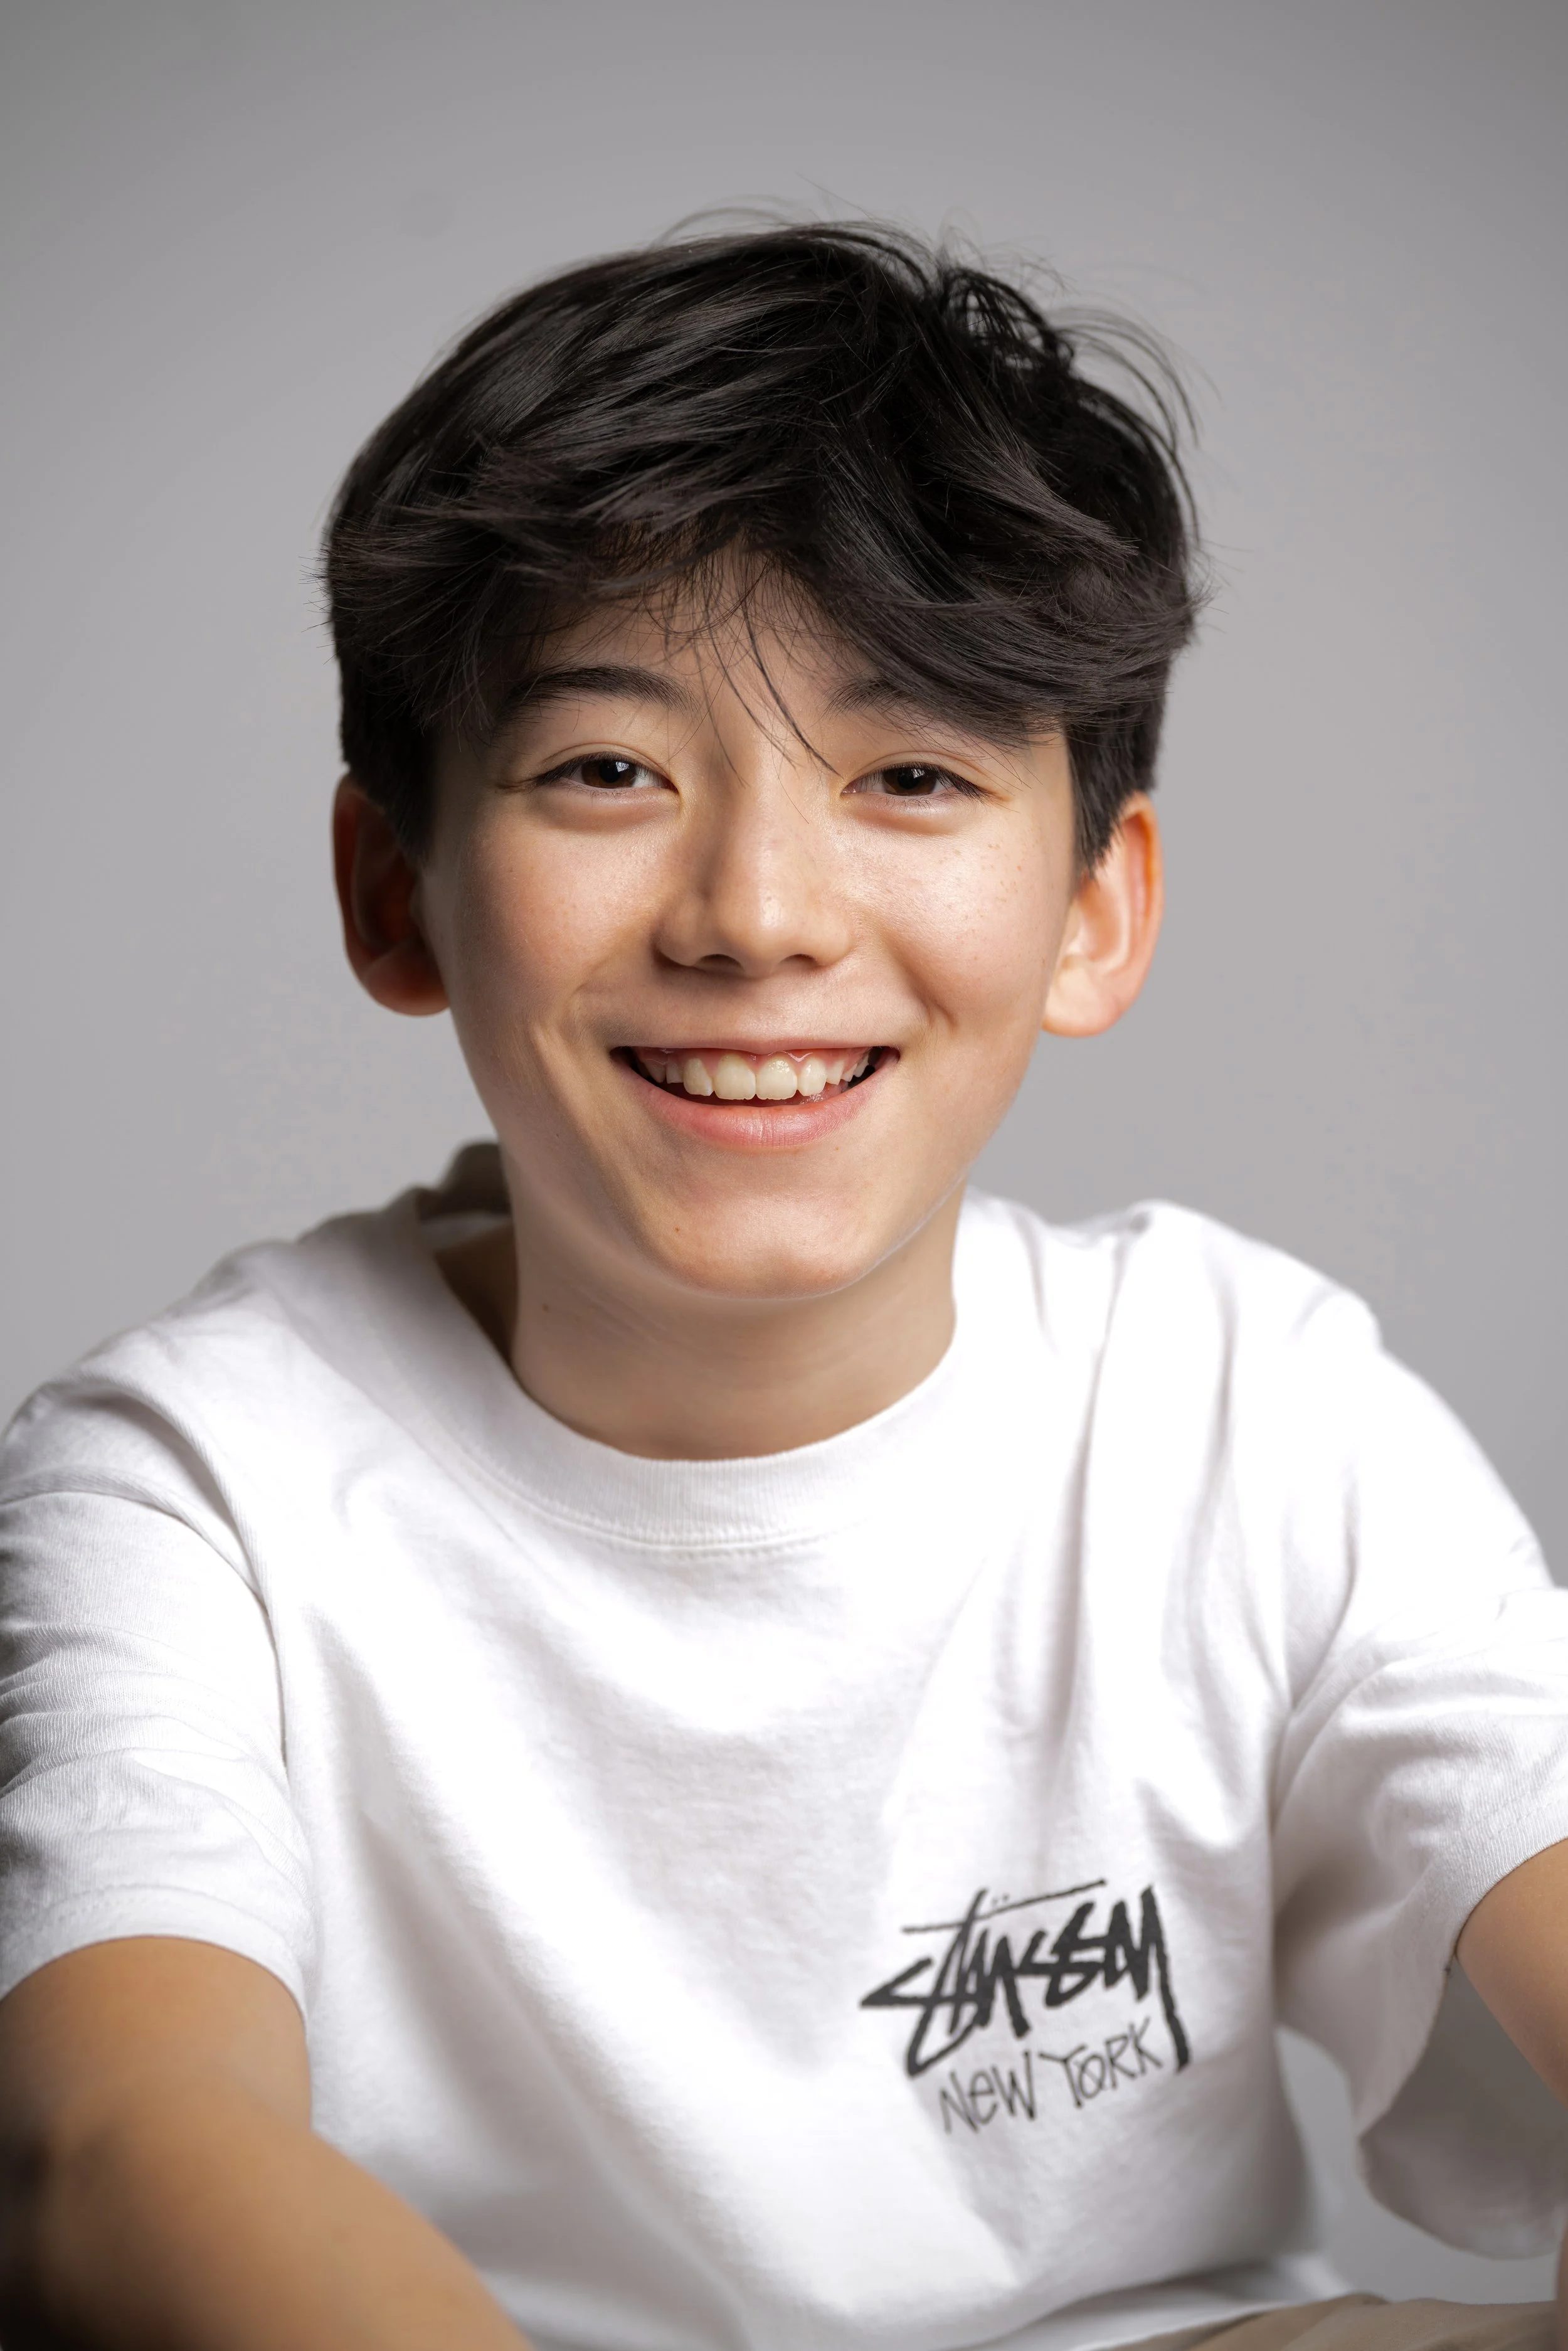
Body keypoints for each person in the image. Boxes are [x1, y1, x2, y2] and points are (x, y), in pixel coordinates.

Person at [0, 222, 1564, 2351]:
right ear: (397, 891)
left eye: (910, 772)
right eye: (607, 770)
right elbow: (115, 2142)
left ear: (1095, 909)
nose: (756, 913)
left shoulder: (1242, 1409)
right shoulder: (197, 1483)